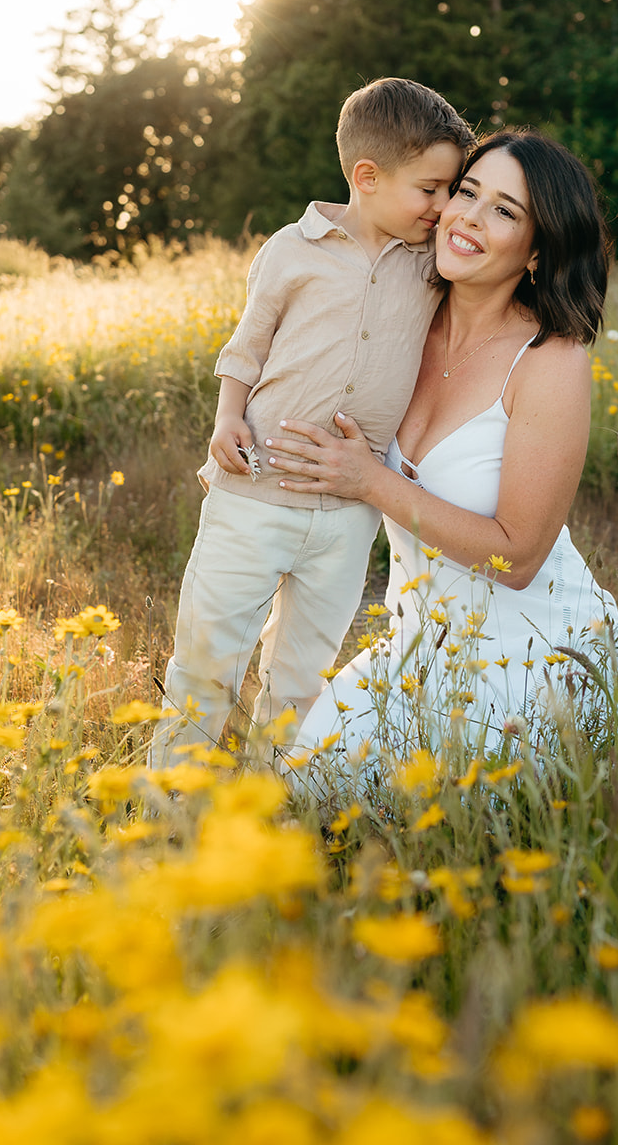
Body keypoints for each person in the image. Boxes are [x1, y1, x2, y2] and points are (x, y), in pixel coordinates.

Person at [264, 129, 618, 763]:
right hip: (420, 646)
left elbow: (517, 558)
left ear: (538, 252)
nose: (468, 216)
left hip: (536, 657)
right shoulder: (398, 319)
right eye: (468, 191)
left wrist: (371, 481)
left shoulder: (550, 359)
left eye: (505, 211)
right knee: (304, 780)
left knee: (457, 824)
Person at [150, 77, 476, 768]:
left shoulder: (430, 267)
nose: (444, 206)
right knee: (208, 661)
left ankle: (273, 796)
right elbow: (247, 344)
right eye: (431, 189)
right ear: (367, 176)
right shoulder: (292, 250)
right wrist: (225, 415)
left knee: (304, 674)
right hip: (254, 490)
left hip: (349, 510)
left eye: (452, 190)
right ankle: (172, 804)